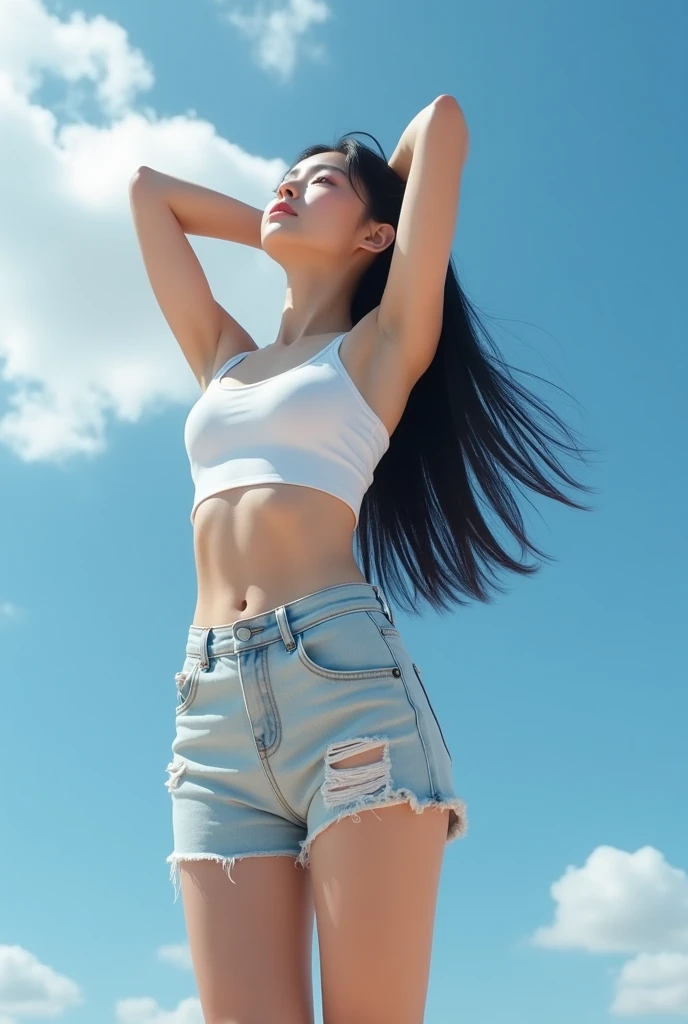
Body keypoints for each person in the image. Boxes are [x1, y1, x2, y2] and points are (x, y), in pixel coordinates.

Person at [128, 94, 589, 1024]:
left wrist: (370, 188)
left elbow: (445, 122)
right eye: (283, 180)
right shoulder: (225, 358)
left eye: (319, 183)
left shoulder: (381, 348)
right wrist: (283, 227)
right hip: (211, 709)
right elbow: (149, 195)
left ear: (380, 235)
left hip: (340, 686)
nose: (289, 187)